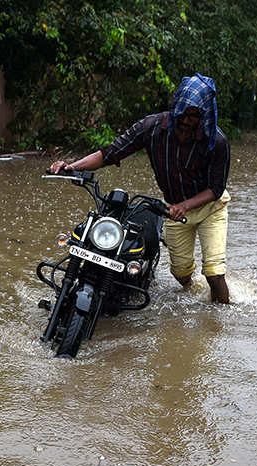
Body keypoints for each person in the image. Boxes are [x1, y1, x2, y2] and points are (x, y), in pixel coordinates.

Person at [49, 73, 231, 303]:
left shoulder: (217, 142)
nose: (186, 121)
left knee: (214, 274)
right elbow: (110, 153)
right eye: (182, 114)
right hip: (173, 209)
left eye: (193, 116)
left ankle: (219, 324)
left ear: (204, 115)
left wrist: (186, 205)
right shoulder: (152, 127)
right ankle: (195, 292)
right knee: (181, 273)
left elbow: (216, 188)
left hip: (210, 209)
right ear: (175, 108)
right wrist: (71, 167)